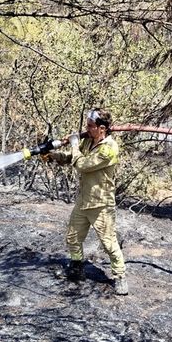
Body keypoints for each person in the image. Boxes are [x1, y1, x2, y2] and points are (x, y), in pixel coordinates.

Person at [48, 108, 128, 295]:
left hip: (101, 205)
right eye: (87, 125)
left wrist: (74, 145)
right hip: (84, 201)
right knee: (73, 238)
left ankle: (120, 276)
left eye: (90, 126)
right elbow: (71, 159)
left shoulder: (109, 149)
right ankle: (77, 268)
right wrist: (52, 155)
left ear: (102, 128)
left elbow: (83, 165)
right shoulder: (88, 141)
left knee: (108, 242)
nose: (87, 129)